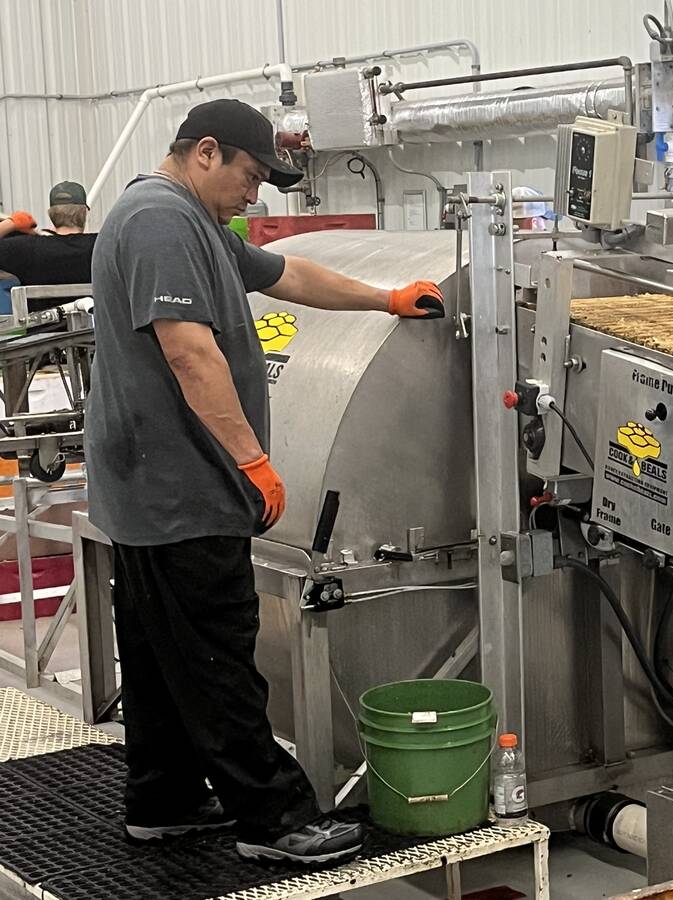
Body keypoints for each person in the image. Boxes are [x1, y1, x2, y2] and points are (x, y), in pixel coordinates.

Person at [85, 98, 446, 865]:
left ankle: (166, 799)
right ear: (205, 152)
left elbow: (291, 275)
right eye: (251, 176)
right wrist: (251, 459)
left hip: (150, 491)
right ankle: (273, 821)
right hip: (183, 490)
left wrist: (384, 296)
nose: (257, 194)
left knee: (159, 658)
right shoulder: (160, 220)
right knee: (219, 660)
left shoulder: (198, 225)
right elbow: (189, 352)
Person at [0, 182, 98, 288]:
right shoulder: (100, 246)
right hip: (93, 305)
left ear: (51, 214)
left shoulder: (24, 248)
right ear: (84, 213)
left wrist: (13, 222)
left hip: (42, 305)